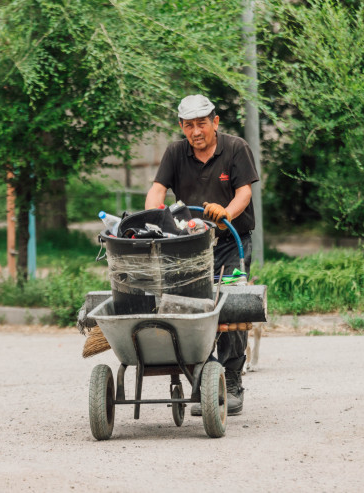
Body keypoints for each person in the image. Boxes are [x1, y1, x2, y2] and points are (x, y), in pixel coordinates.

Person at [145, 94, 259, 416]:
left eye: (202, 124)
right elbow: (157, 190)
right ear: (182, 126)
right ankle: (204, 378)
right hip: (190, 247)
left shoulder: (236, 148)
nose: (196, 131)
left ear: (215, 122)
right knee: (190, 310)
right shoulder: (175, 152)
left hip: (231, 242)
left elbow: (244, 192)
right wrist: (151, 216)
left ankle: (232, 381)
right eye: (189, 125)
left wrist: (226, 213)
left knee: (231, 309)